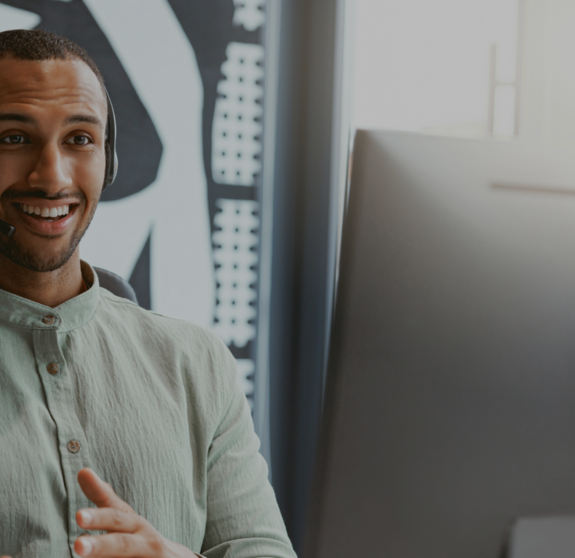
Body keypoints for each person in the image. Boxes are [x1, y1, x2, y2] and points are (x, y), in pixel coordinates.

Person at [0, 29, 296, 558]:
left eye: (80, 139)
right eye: (14, 138)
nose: (52, 177)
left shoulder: (197, 364)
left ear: (108, 162)